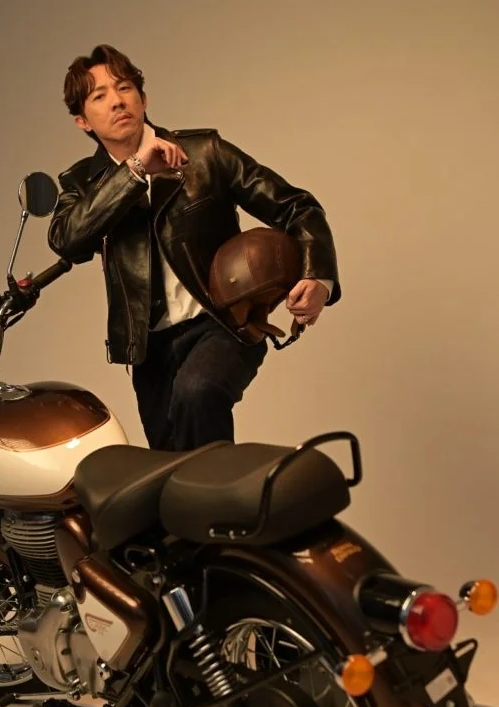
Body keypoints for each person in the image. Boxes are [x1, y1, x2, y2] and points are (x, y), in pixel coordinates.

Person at [48, 44, 340, 452]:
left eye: (125, 88)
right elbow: (68, 240)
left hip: (223, 322)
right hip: (149, 350)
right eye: (100, 96)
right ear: (82, 120)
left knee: (197, 391)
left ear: (143, 98)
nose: (117, 101)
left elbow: (297, 206)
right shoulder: (81, 184)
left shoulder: (205, 153)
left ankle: (220, 492)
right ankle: (224, 493)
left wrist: (318, 276)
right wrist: (135, 172)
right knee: (170, 461)